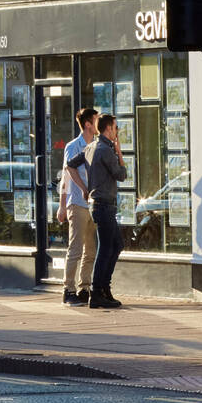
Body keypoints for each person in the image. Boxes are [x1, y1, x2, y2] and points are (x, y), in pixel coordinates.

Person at [67, 114, 126, 309]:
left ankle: (103, 289)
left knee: (115, 244)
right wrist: (119, 152)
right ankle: (97, 292)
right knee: (106, 248)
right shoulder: (104, 149)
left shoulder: (91, 147)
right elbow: (121, 175)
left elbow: (70, 165)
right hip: (104, 204)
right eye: (116, 128)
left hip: (97, 205)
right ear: (108, 129)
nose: (117, 132)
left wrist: (85, 188)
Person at [56, 107, 98, 306]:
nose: (98, 122)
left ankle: (85, 288)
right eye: (96, 119)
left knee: (91, 249)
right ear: (88, 124)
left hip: (94, 204)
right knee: (76, 248)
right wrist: (62, 206)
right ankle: (68, 289)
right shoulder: (73, 146)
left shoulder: (97, 145)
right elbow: (66, 175)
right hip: (78, 203)